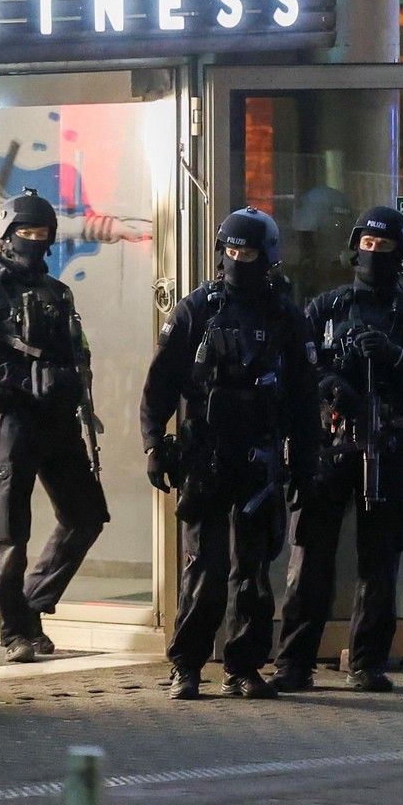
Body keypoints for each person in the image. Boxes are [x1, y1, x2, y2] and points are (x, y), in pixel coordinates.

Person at [275, 206, 403, 694]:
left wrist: (396, 356)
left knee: (380, 563)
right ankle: (294, 662)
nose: (373, 255)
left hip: (387, 445)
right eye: (367, 246)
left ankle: (367, 662)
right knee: (311, 556)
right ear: (355, 247)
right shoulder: (326, 308)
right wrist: (331, 385)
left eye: (384, 247)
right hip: (330, 446)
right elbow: (295, 366)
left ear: (400, 253)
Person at [142, 208, 320, 700]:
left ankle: (244, 666)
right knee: (206, 567)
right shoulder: (195, 310)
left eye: (248, 252)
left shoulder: (285, 315)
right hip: (205, 455)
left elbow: (305, 397)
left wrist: (307, 460)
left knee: (254, 573)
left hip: (260, 459)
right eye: (231, 252)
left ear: (269, 256)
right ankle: (188, 665)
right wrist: (154, 443)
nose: (238, 261)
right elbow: (159, 385)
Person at [0, 188, 109, 663]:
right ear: (5, 233)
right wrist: (25, 378)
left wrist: (75, 393)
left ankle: (33, 603)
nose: (34, 241)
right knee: (7, 531)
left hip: (57, 420)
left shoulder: (57, 292)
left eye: (43, 233)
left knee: (85, 516)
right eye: (26, 232)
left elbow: (73, 353)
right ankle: (15, 631)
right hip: (10, 420)